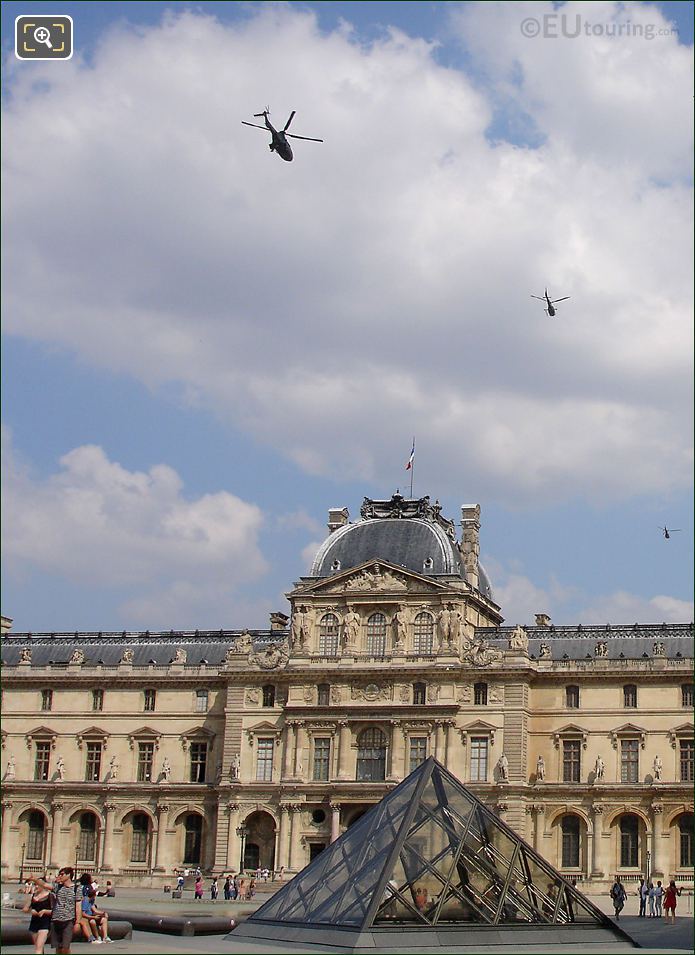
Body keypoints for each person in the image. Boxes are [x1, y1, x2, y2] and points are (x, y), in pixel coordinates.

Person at [23, 878, 54, 954]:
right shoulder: (33, 896)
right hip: (34, 923)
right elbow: (25, 909)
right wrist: (31, 911)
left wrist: (45, 911)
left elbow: (55, 911)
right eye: (35, 885)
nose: (36, 887)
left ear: (43, 886)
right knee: (38, 946)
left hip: (45, 923)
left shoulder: (50, 896)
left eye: (38, 885)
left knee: (38, 948)